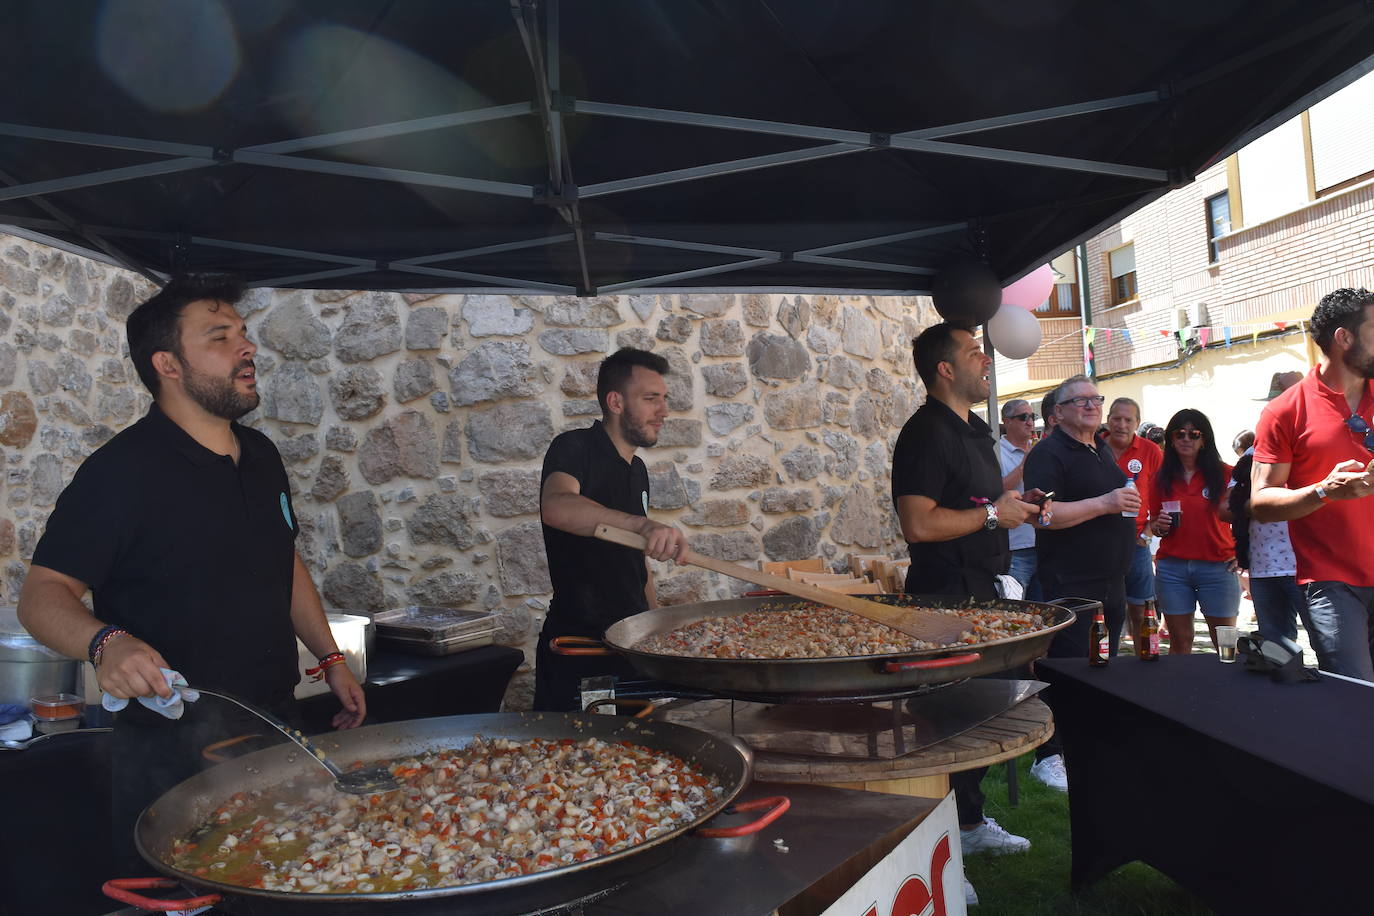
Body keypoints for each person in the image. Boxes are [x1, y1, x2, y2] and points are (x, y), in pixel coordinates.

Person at [15, 273, 366, 872]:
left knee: (298, 874)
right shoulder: (120, 474)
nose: (247, 348)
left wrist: (329, 657)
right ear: (168, 364)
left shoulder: (261, 457)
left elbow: (283, 560)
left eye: (244, 334)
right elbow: (42, 595)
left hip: (275, 724)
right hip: (169, 751)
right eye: (220, 337)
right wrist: (106, 643)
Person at [892, 323, 1042, 900]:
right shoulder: (925, 433)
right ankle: (939, 850)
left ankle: (971, 826)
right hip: (944, 597)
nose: (987, 359)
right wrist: (989, 518)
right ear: (945, 369)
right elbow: (919, 523)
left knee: (983, 721)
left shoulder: (976, 428)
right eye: (974, 352)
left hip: (988, 593)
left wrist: (1014, 509)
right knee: (948, 726)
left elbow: (985, 504)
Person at [534, 348, 688, 711]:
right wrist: (643, 524)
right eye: (651, 399)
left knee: (637, 758)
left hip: (630, 644)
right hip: (581, 647)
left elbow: (640, 563)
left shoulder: (638, 471)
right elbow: (556, 505)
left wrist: (657, 627)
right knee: (584, 759)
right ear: (616, 402)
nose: (663, 411)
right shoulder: (574, 448)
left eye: (664, 400)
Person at [1023, 375, 1139, 792]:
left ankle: (1086, 742)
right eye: (1081, 400)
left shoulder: (1100, 448)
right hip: (1073, 577)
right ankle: (1049, 755)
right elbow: (1043, 515)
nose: (1092, 405)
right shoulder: (1048, 453)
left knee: (1099, 665)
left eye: (1096, 398)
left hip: (1111, 576)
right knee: (1068, 668)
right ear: (1057, 413)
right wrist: (1107, 503)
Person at [1252, 288, 1374, 678]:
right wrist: (1325, 491)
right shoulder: (1285, 410)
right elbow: (1261, 502)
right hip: (1331, 582)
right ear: (1345, 338)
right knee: (1354, 697)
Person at [1148, 409, 1239, 653]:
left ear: (1204, 439)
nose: (1186, 439)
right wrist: (1159, 526)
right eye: (1179, 434)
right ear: (1171, 439)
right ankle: (1182, 691)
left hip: (1218, 566)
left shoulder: (1226, 474)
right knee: (1180, 641)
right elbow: (1154, 523)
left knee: (1226, 644)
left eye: (1194, 434)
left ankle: (1230, 690)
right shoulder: (1160, 478)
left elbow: (1247, 517)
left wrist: (1243, 551)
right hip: (1173, 569)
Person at [1103, 397, 1163, 646]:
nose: (1122, 424)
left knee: (1140, 612)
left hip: (1136, 544)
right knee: (1104, 614)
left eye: (1128, 419)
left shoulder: (1151, 451)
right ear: (1108, 420)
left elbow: (1163, 496)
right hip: (1099, 544)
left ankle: (1145, 667)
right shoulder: (1095, 447)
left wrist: (1147, 535)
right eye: (1116, 418)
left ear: (1137, 423)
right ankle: (1106, 665)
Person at [997, 399, 1039, 597]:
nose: (1030, 422)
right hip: (1015, 548)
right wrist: (1024, 466)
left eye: (1032, 416)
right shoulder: (996, 452)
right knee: (1016, 611)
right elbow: (994, 493)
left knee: (1045, 614)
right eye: (1023, 417)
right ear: (1007, 421)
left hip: (1042, 542)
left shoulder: (1037, 448)